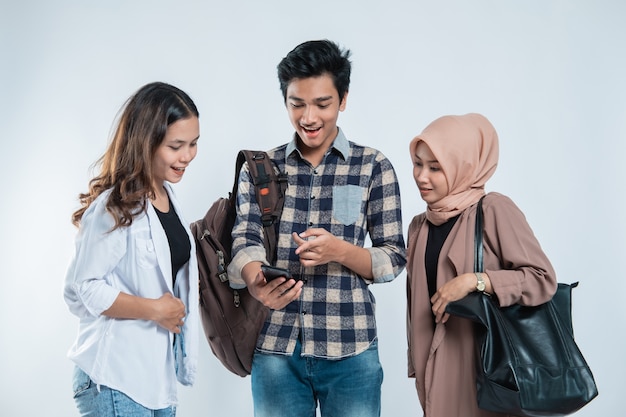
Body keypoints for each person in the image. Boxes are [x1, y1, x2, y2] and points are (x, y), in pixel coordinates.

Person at [228, 39, 406, 417]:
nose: (309, 117)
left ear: (343, 100)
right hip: (276, 346)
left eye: (322, 104)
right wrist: (256, 281)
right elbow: (245, 238)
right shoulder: (260, 168)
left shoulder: (373, 167)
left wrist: (339, 251)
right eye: (297, 104)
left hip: (351, 349)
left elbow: (394, 256)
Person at [405, 113, 558, 417]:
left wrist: (475, 281)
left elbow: (542, 279)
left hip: (486, 372)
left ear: (463, 168)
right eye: (418, 163)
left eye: (436, 167)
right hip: (435, 372)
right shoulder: (418, 226)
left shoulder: (493, 210)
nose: (422, 176)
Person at [64, 81, 201, 417]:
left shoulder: (168, 199)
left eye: (194, 144)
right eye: (176, 146)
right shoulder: (115, 205)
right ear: (147, 142)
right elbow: (84, 288)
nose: (187, 156)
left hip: (155, 381)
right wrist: (154, 309)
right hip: (113, 378)